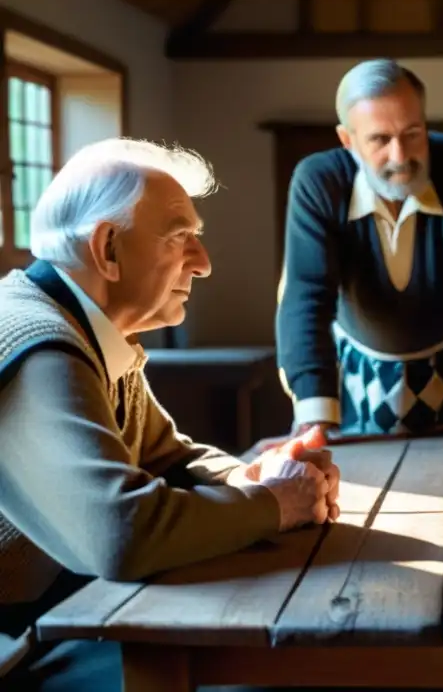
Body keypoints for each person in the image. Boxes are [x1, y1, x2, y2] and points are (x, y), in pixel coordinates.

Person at [0, 137, 341, 691]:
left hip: (62, 616)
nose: (203, 264)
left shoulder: (93, 333)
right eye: (181, 238)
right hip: (20, 650)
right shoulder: (39, 344)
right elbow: (120, 534)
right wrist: (274, 505)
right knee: (268, 674)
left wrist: (258, 474)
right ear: (107, 248)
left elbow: (169, 458)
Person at [275, 59, 443, 451]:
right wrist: (313, 417)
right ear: (348, 140)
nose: (400, 156)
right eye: (379, 139)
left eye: (413, 133)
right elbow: (306, 296)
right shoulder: (317, 180)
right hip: (355, 372)